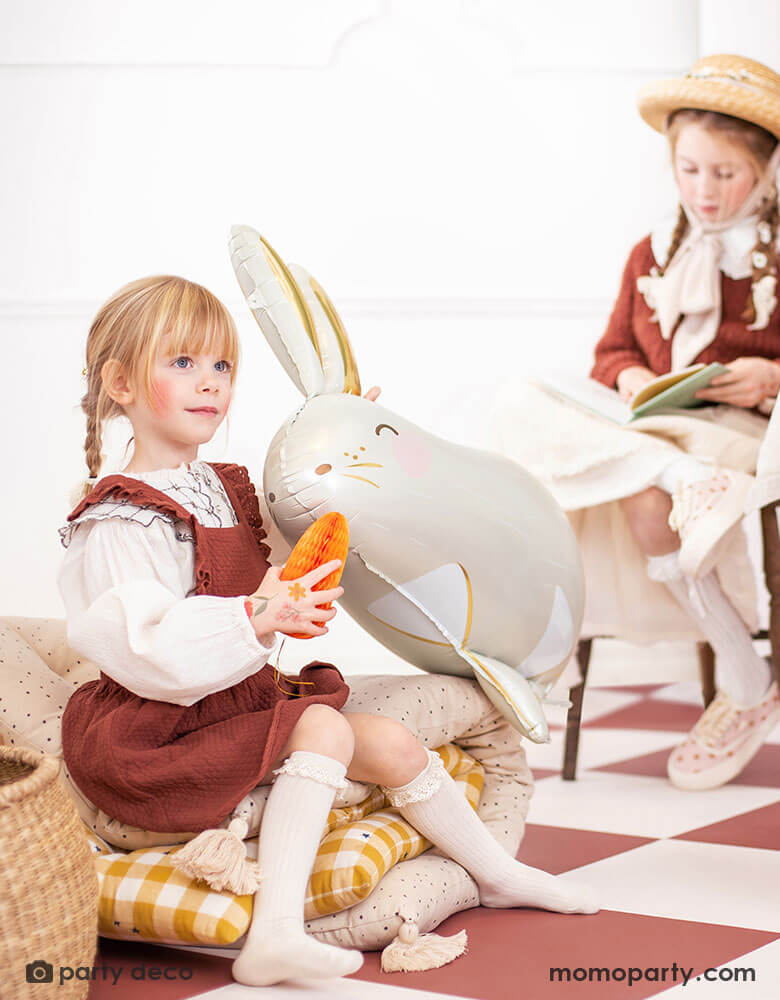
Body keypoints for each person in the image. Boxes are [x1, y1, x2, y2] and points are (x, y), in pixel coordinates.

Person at [58, 274, 598, 988]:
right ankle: (275, 933)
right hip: (156, 732)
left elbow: (280, 557)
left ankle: (497, 871)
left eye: (221, 366)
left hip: (228, 703)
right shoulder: (119, 519)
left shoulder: (222, 486)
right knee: (325, 731)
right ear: (120, 383)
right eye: (182, 363)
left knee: (396, 744)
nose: (210, 383)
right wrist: (257, 616)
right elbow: (144, 646)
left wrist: (347, 455)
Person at [494, 54, 780, 792]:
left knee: (641, 481)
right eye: (690, 171)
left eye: (725, 174)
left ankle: (746, 681)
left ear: (767, 167)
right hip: (659, 435)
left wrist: (770, 378)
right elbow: (612, 351)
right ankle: (748, 675)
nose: (704, 190)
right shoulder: (653, 252)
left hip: (739, 428)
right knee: (526, 395)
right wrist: (638, 380)